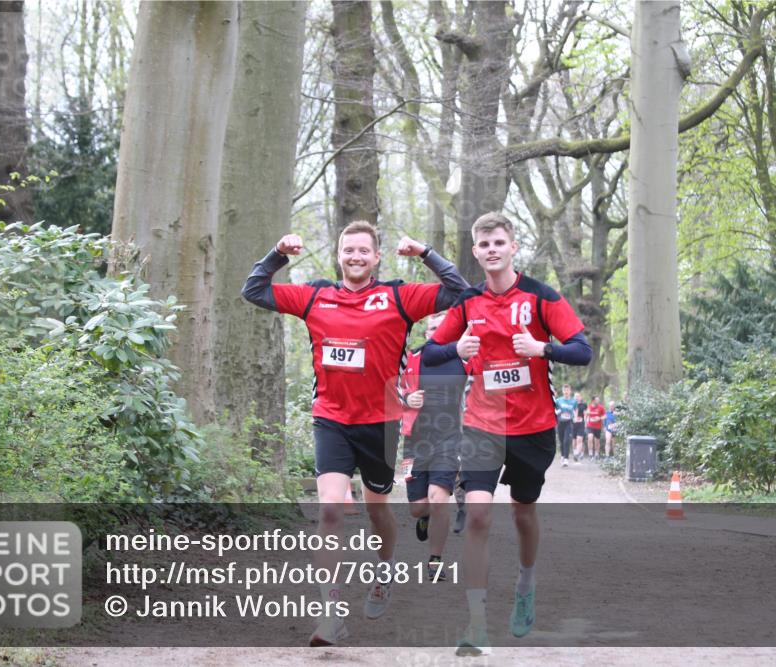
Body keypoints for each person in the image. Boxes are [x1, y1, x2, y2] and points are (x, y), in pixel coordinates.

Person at [243, 221, 469, 646]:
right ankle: (331, 614)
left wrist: (425, 253)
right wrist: (277, 253)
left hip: (380, 423)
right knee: (329, 508)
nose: (356, 257)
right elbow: (254, 291)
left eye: (364, 251)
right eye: (349, 250)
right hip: (331, 419)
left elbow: (459, 291)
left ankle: (384, 570)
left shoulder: (399, 297)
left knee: (376, 511)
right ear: (339, 255)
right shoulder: (315, 295)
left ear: (376, 257)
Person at [422, 212, 591, 655]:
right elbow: (431, 353)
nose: (492, 250)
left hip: (533, 427)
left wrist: (543, 348)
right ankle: (476, 626)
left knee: (522, 513)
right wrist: (455, 348)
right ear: (476, 252)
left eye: (499, 242)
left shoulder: (540, 297)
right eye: (484, 245)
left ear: (513, 246)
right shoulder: (468, 303)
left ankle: (526, 582)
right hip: (482, 424)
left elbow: (582, 350)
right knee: (478, 515)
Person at [399, 311, 467, 581]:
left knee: (440, 500)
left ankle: (435, 560)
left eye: (441, 328)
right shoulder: (413, 358)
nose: (434, 333)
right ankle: (423, 517)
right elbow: (391, 389)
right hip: (414, 443)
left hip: (449, 441)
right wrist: (407, 397)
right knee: (418, 507)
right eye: (430, 329)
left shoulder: (464, 360)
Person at [553, 384, 579, 467]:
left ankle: (566, 459)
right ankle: (562, 455)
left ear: (570, 391)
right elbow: (554, 410)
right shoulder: (558, 401)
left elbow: (576, 410)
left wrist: (575, 417)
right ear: (563, 391)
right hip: (560, 423)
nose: (566, 392)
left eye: (568, 390)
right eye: (565, 390)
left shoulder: (574, 401)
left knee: (566, 440)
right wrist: (558, 412)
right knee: (561, 441)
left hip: (569, 422)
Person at [572, 392, 587, 460]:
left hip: (581, 424)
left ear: (580, 397)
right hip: (573, 424)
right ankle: (575, 452)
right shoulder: (571, 404)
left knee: (579, 439)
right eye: (575, 396)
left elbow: (585, 414)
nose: (577, 397)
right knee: (574, 440)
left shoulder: (583, 405)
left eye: (578, 396)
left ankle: (577, 453)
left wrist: (586, 422)